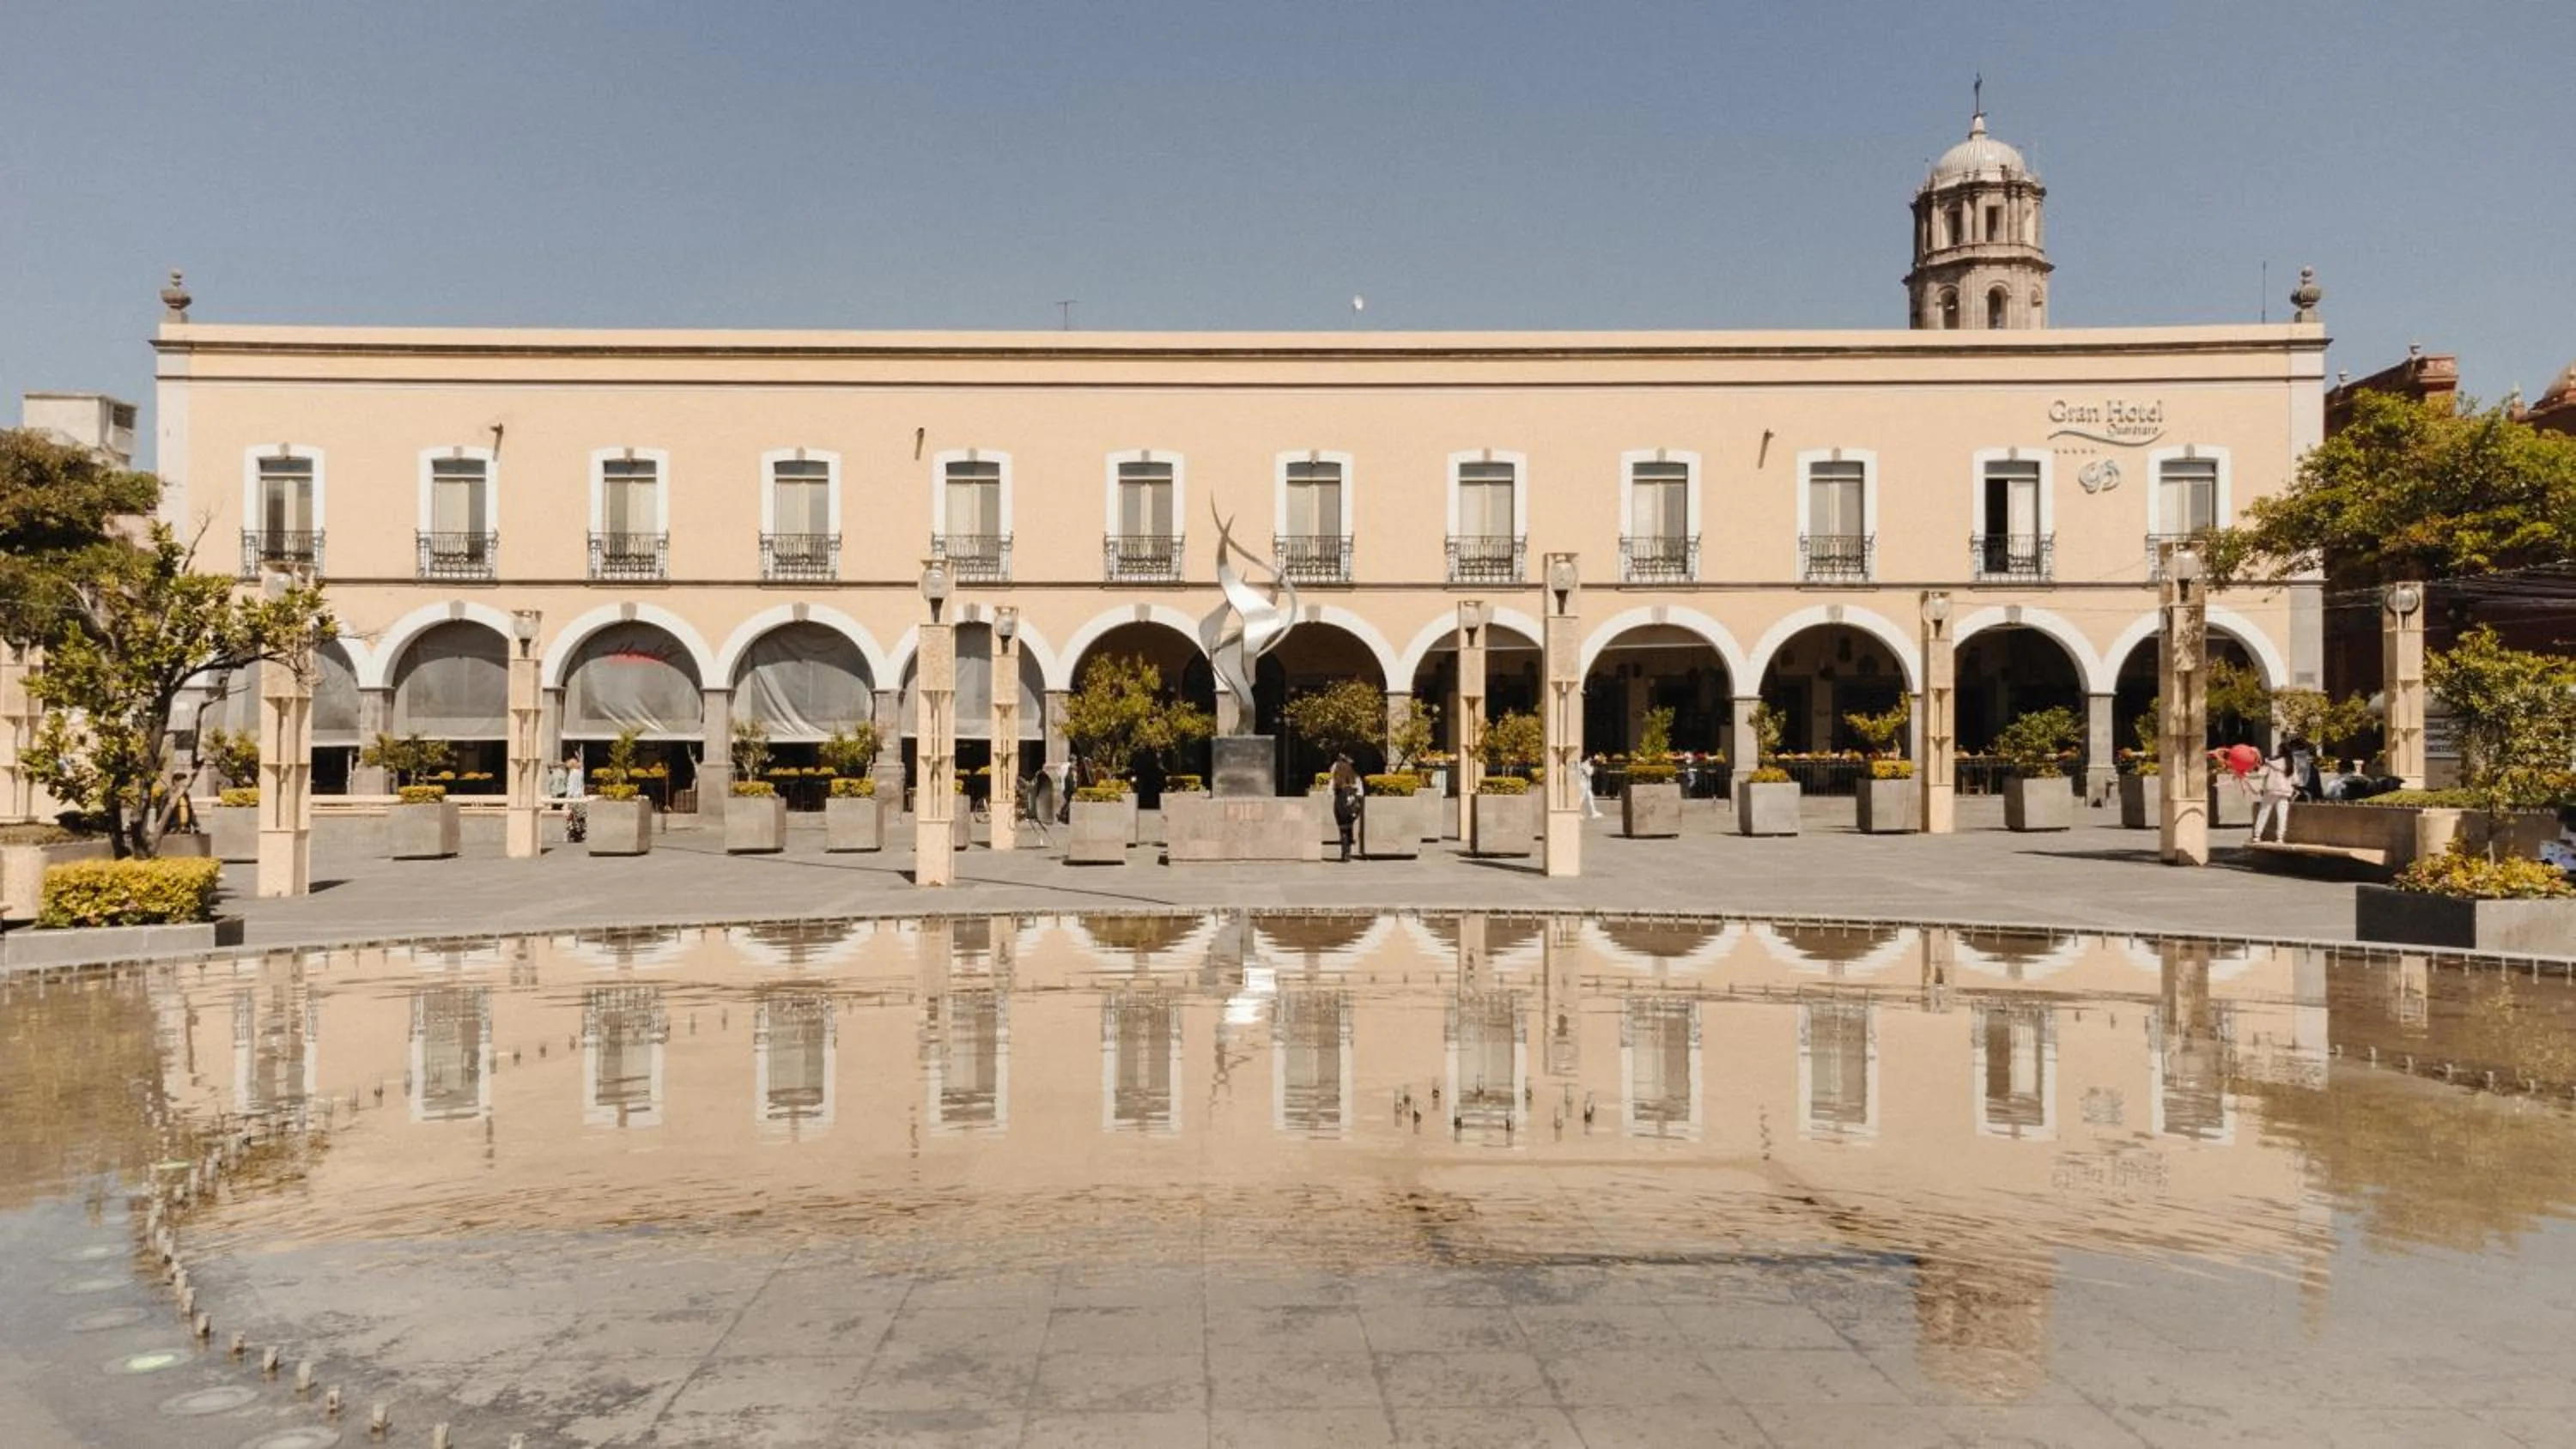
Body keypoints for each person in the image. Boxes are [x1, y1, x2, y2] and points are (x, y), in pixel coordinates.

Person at [2250, 745, 2296, 843]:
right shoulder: (2291, 765)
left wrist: (2247, 775)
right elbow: (2296, 780)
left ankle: (2257, 836)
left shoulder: (2271, 763)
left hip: (2271, 791)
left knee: (2264, 813)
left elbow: (2259, 774)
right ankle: (2280, 838)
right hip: (2285, 792)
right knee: (2282, 815)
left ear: (2280, 751)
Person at [1329, 753, 1363, 862]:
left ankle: (1344, 853)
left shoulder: (1336, 768)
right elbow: (1359, 788)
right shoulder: (1352, 772)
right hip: (1350, 800)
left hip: (1339, 800)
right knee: (1349, 827)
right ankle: (1348, 851)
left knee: (1342, 829)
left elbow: (1331, 787)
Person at [1577, 755, 1602, 820]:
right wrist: (1593, 767)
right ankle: (1577, 813)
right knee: (1581, 798)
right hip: (1583, 783)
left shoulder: (1584, 764)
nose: (1590, 760)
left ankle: (1593, 812)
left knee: (1590, 797)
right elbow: (1590, 773)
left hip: (1586, 784)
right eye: (1589, 759)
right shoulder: (1585, 765)